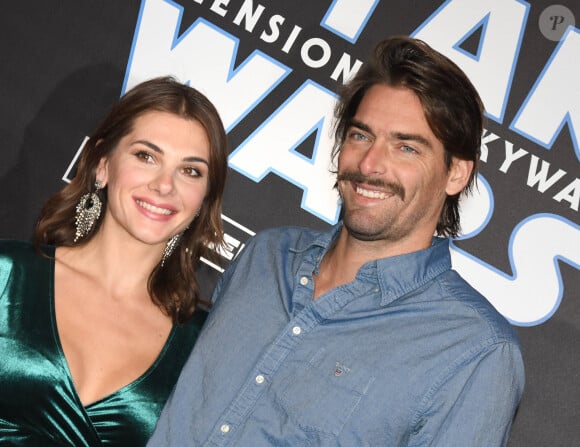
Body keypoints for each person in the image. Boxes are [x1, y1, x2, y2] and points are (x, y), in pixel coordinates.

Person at [148, 36, 525, 446]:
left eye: (406, 147)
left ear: (457, 174)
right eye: (361, 136)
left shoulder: (475, 350)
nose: (370, 164)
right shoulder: (267, 255)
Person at [0, 76, 228, 446]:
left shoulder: (200, 347)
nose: (164, 185)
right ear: (102, 165)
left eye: (190, 171)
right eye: (146, 156)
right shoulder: (7, 274)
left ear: (204, 198)